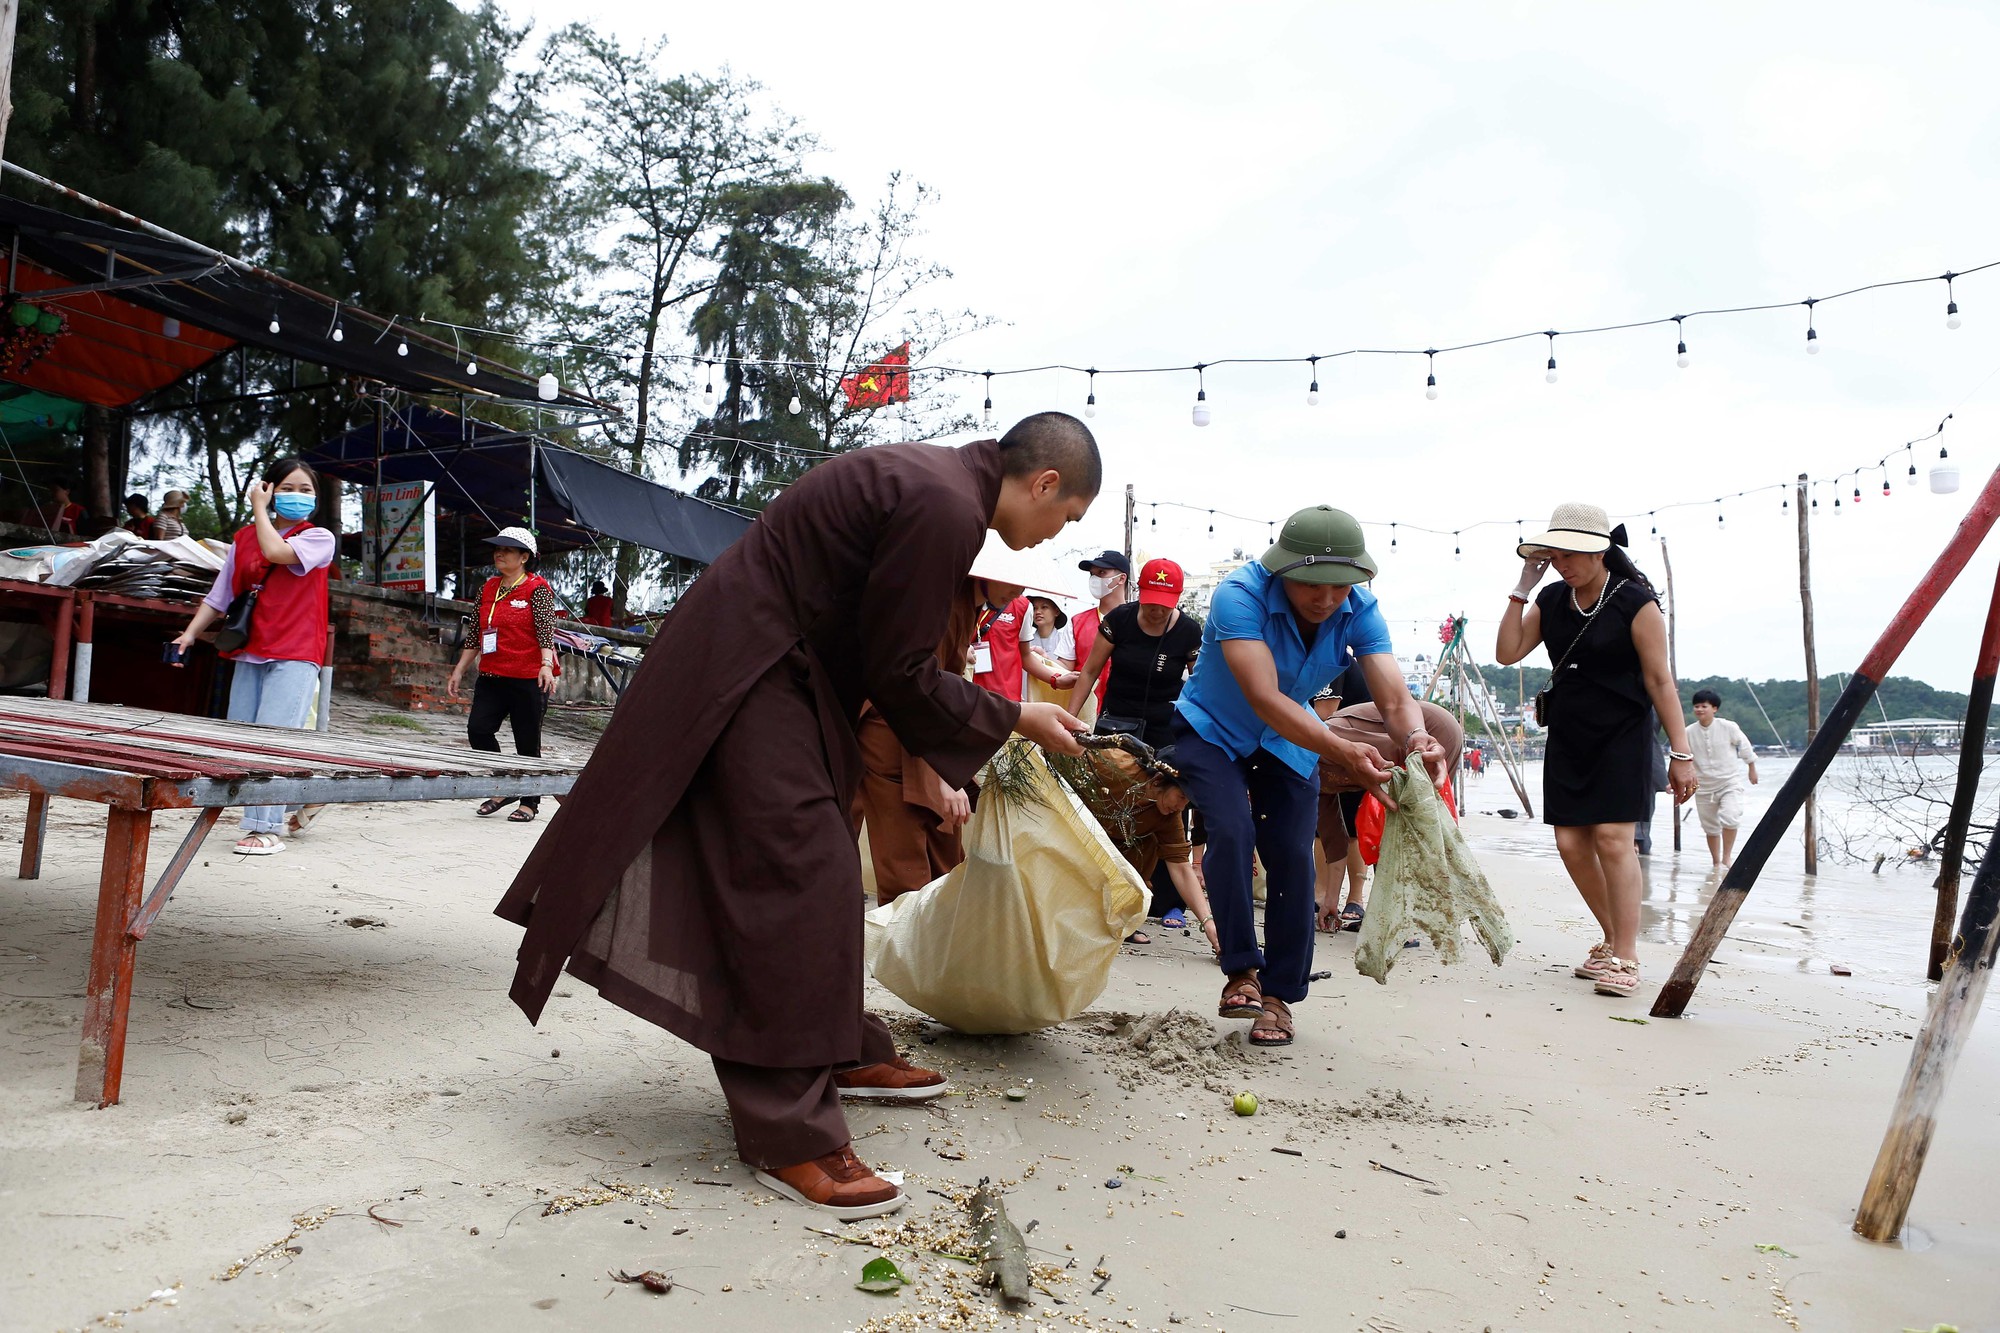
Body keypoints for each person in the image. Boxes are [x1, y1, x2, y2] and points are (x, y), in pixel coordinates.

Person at [494, 413, 1098, 1221]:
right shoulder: (947, 502)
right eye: (1068, 516)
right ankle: (789, 1131)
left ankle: (836, 1047)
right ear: (1046, 483)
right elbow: (903, 668)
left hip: (791, 669)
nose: (1058, 533)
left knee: (819, 861)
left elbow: (882, 644)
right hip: (751, 660)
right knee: (798, 870)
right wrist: (1016, 716)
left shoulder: (945, 486)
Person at [1170, 506, 1458, 1049]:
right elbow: (1264, 696)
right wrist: (1343, 751)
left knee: (1293, 855)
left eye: (1341, 587)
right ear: (1282, 571)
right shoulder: (1239, 596)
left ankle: (1278, 998)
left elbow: (1395, 697)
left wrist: (1415, 737)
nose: (1326, 599)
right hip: (1212, 729)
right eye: (1311, 585)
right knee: (1230, 832)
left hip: (1289, 740)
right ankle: (1240, 970)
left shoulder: (1360, 609)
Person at [1495, 503, 1697, 999]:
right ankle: (1612, 936)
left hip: (1623, 734)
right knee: (1569, 843)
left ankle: (1626, 955)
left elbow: (1659, 680)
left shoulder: (1636, 602)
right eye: (1555, 555)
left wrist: (1681, 751)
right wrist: (1523, 586)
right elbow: (1507, 652)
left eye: (1571, 555)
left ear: (1600, 550)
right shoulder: (1551, 597)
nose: (1562, 564)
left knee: (1612, 838)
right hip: (1568, 733)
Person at [170, 457, 335, 856]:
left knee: (272, 740)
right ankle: (306, 796)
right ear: (270, 487)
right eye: (289, 488)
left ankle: (265, 828)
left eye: (306, 490)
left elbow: (277, 551)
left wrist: (260, 508)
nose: (298, 496)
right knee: (243, 735)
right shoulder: (244, 538)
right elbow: (222, 594)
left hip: (296, 650)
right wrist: (190, 634)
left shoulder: (319, 538)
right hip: (251, 649)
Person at [857, 583, 983, 906]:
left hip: (927, 729)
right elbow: (918, 687)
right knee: (907, 878)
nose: (1016, 591)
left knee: (945, 864)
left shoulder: (970, 603)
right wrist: (944, 773)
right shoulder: (947, 597)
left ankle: (938, 950)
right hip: (893, 727)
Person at [447, 527, 559, 823]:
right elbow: (475, 635)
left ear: (524, 557)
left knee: (527, 740)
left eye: (508, 550)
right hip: (493, 675)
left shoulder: (537, 588)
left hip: (528, 677)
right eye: (497, 548)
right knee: (478, 730)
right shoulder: (488, 588)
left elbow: (546, 631)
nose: (499, 553)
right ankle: (504, 784)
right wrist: (458, 670)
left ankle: (530, 802)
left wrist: (546, 664)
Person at [1070, 742, 1220, 954]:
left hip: (1122, 849)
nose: (1181, 808)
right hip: (1076, 831)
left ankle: (1123, 921)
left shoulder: (1168, 816)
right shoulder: (1111, 765)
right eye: (1181, 797)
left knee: (1146, 846)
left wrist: (1207, 922)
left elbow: (1181, 869)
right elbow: (1067, 759)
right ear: (1159, 780)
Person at [1066, 557, 1201, 746]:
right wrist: (1069, 720)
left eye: (1165, 605)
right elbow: (1089, 672)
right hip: (1115, 725)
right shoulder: (1119, 619)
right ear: (1139, 591)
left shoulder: (1189, 631)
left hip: (1165, 730)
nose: (1157, 610)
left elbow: (1199, 686)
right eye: (1151, 602)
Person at [1311, 656, 1373, 933]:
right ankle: (1321, 893)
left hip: (1355, 749)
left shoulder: (1331, 660)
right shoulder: (1313, 661)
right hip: (1334, 747)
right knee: (1321, 828)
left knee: (1352, 826)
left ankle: (1355, 898)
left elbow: (1323, 713)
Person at [1688, 688, 1759, 867]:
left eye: (1704, 706)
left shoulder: (1728, 727)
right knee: (1710, 826)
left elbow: (1744, 746)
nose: (1699, 709)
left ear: (1714, 708)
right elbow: (1683, 758)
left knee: (1731, 816)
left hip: (1729, 782)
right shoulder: (1688, 732)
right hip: (1703, 786)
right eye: (1696, 706)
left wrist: (1751, 767)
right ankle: (1716, 862)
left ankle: (1727, 857)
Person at [1069, 550, 1130, 721]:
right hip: (1084, 716)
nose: (1094, 579)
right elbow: (1065, 666)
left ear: (1121, 578)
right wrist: (1044, 661)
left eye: (1102, 573)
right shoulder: (1077, 622)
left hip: (1124, 718)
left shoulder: (1137, 622)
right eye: (1092, 574)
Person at [1024, 594, 1077, 706]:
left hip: (1059, 696)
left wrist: (1045, 657)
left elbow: (1067, 669)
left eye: (1044, 607)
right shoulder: (1025, 642)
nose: (1038, 612)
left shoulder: (1066, 640)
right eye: (1034, 608)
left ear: (1056, 611)